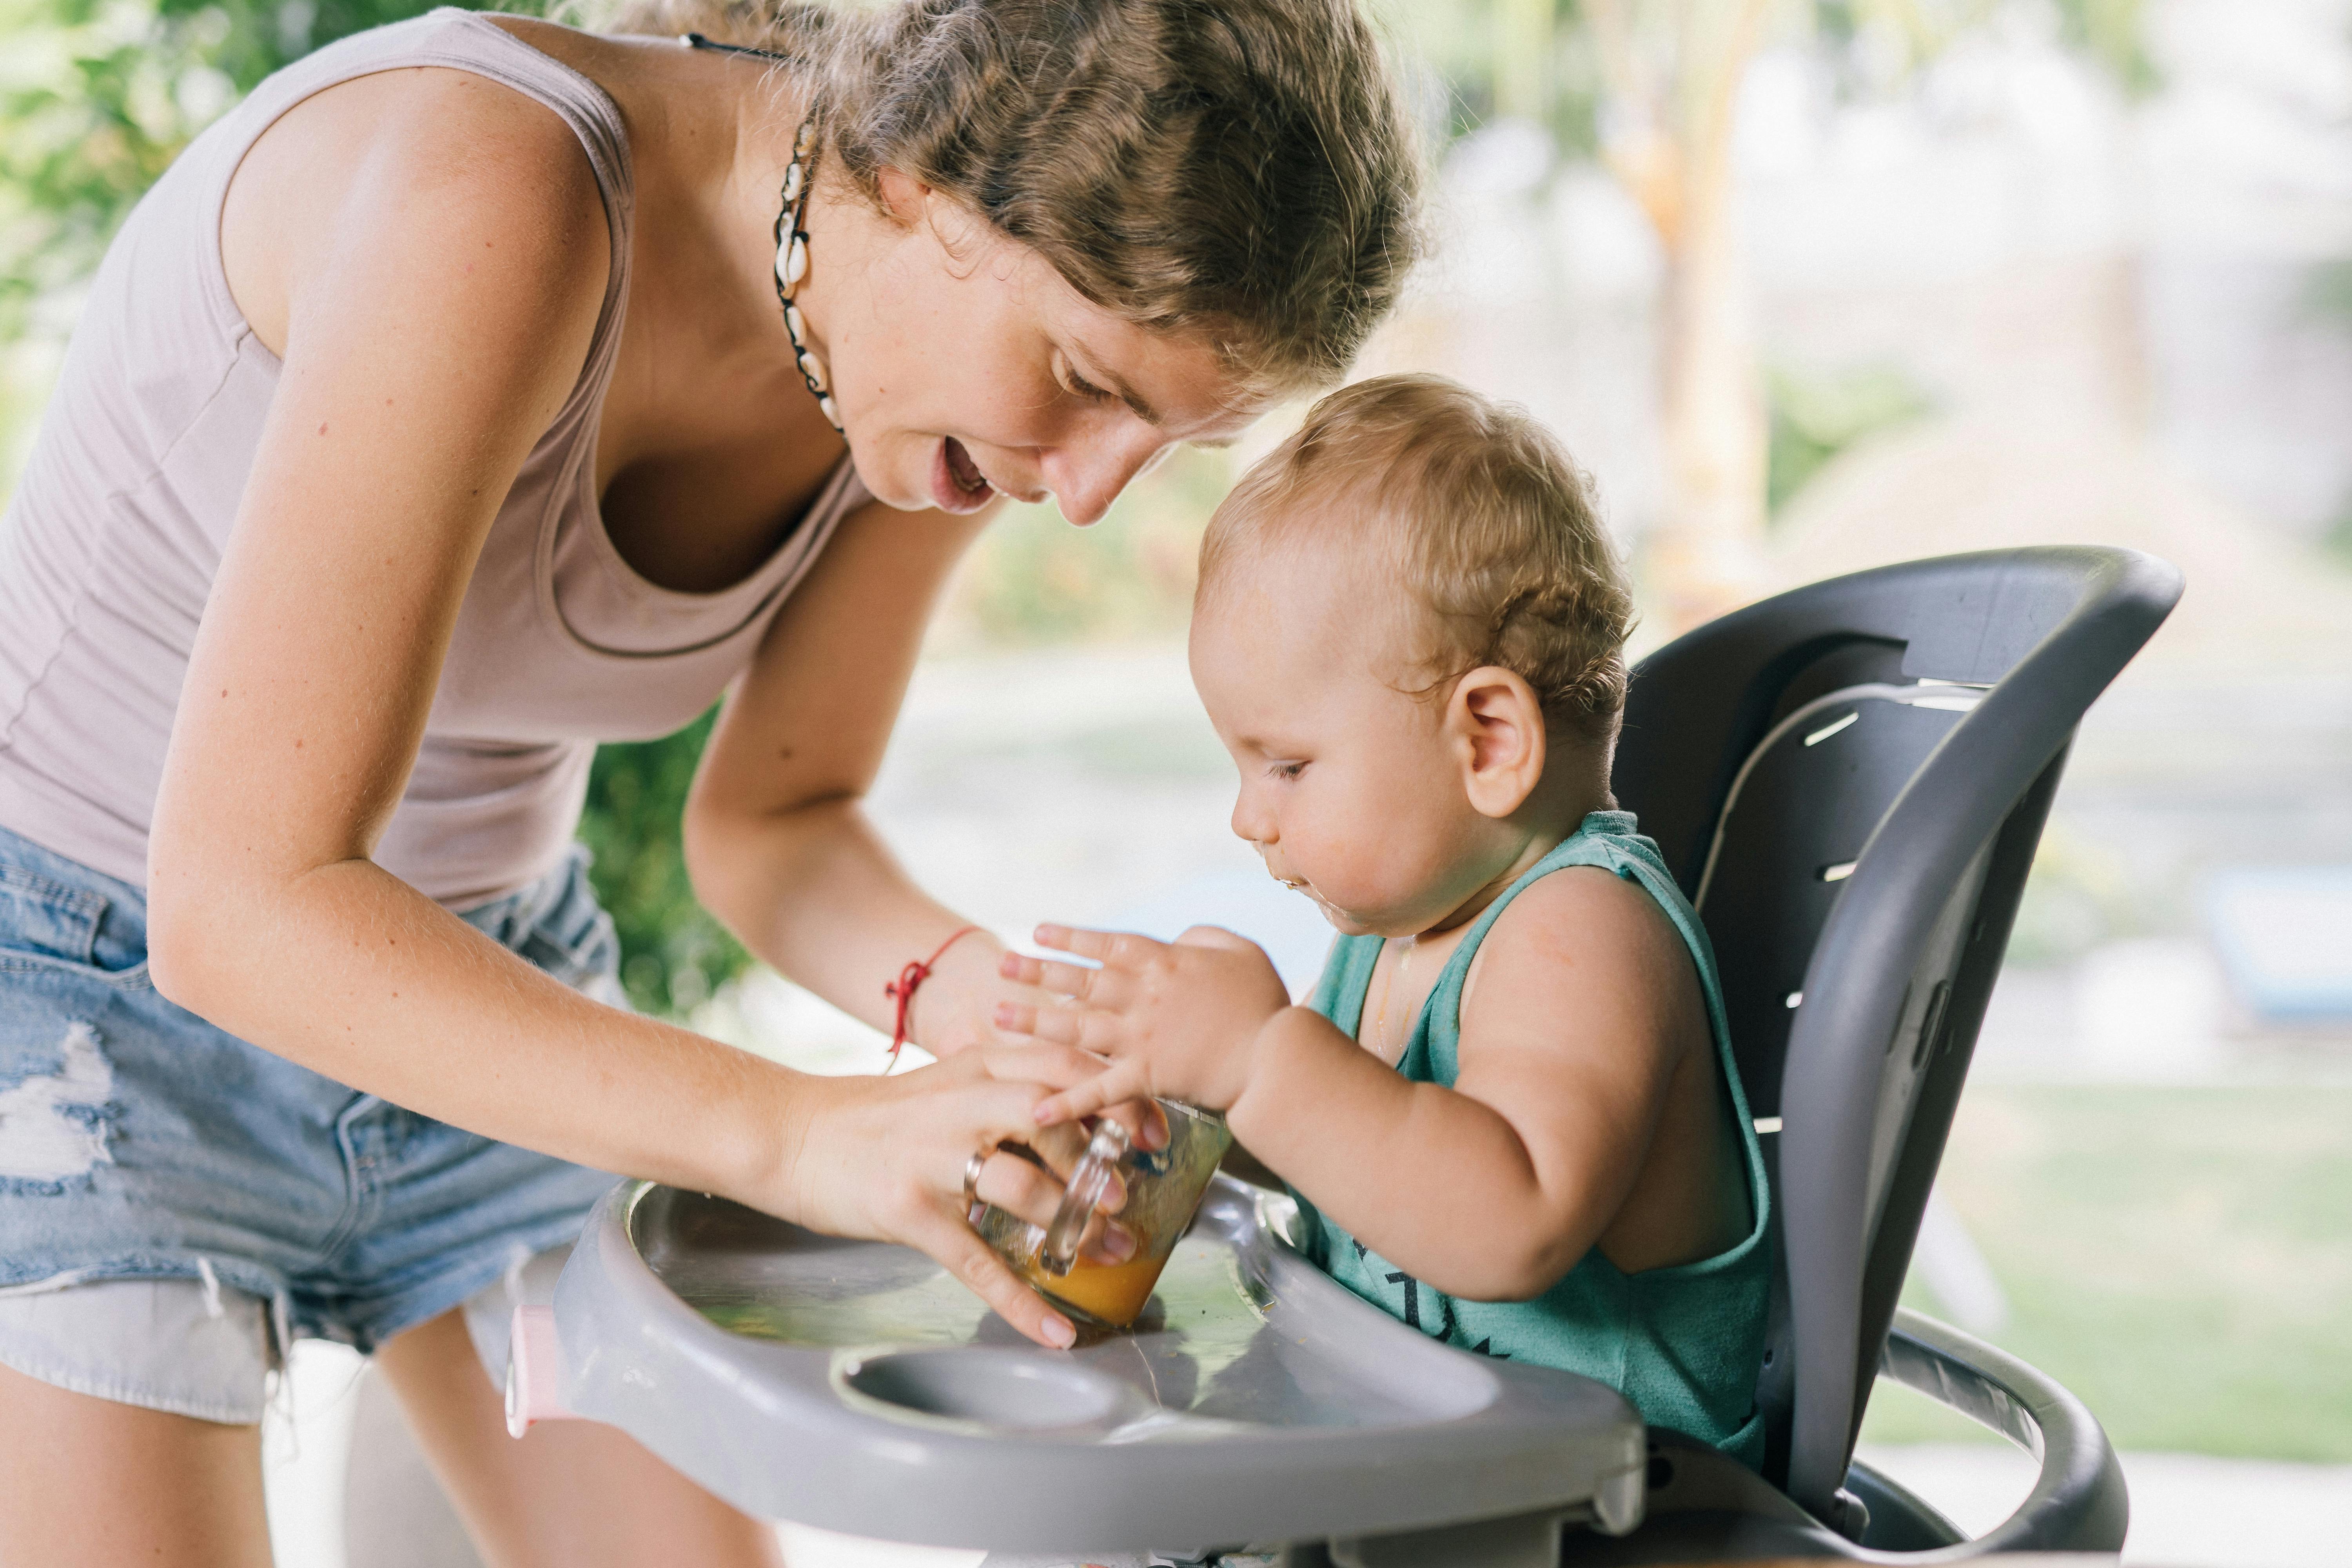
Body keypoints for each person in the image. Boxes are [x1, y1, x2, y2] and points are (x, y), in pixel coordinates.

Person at [0, 0, 1420, 1558]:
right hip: (81, 1005)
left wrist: (1017, 1033)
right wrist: (804, 1132)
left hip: (489, 975)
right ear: (920, 175)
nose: (1082, 493)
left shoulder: (935, 379)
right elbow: (240, 906)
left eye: (1161, 440)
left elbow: (778, 824)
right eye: (1087, 382)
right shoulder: (498, 189)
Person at [998, 374, 1772, 1464]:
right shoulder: (1392, 935)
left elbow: (1510, 1221)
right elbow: (1363, 1163)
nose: (1247, 816)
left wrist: (1263, 1062)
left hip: (1615, 1520)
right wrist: (1191, 1104)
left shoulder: (1585, 931)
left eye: (1287, 764)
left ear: (1489, 740)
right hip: (1416, 1475)